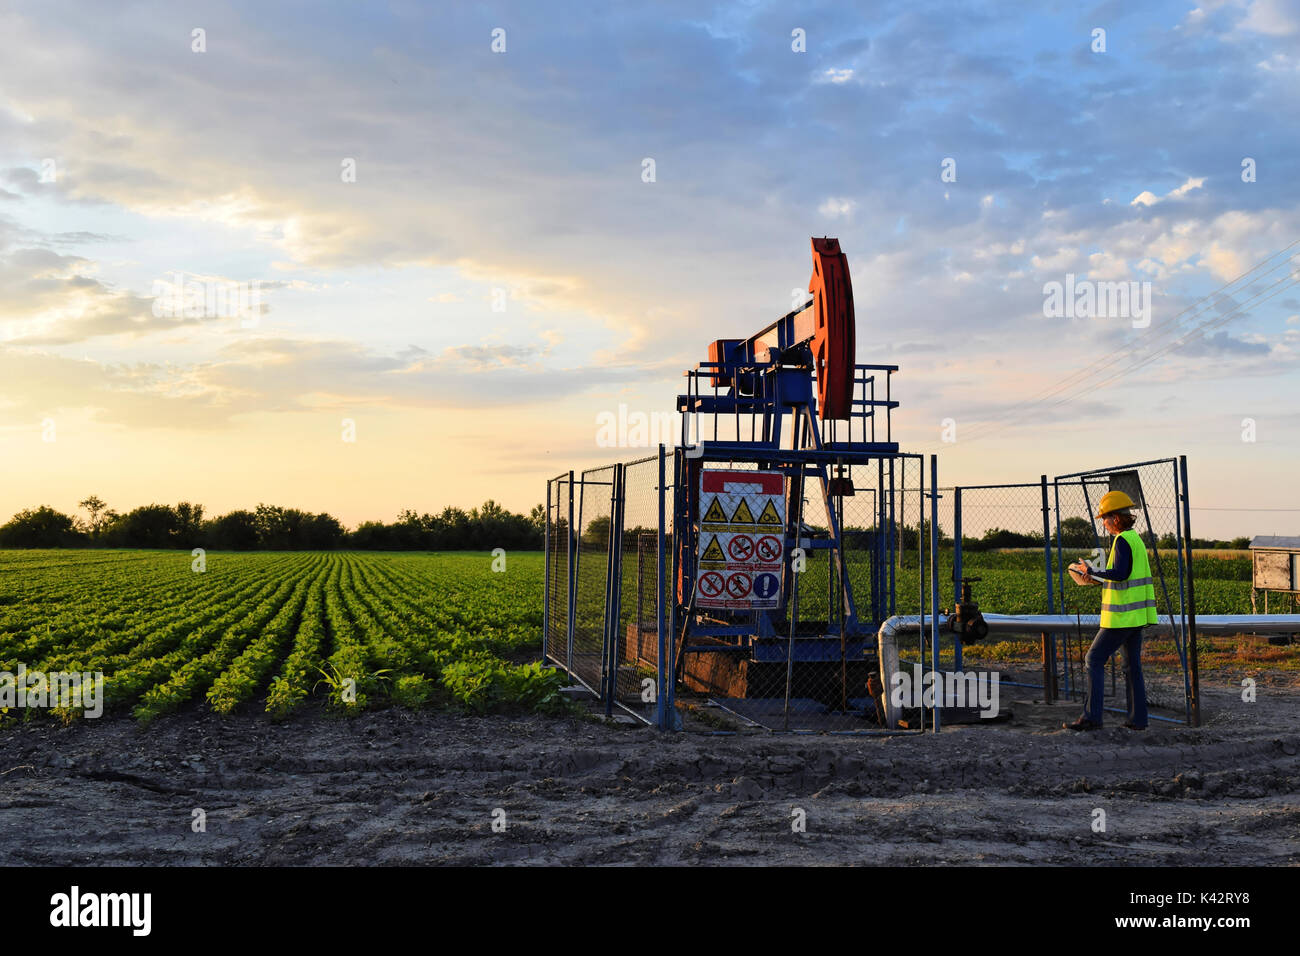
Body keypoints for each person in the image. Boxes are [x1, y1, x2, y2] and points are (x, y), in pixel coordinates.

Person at [1063, 491, 1158, 732]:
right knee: (1131, 666)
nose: (1103, 523)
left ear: (1115, 518)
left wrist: (1092, 573)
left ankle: (1092, 717)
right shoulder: (1135, 539)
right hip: (1136, 616)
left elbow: (1120, 574)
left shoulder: (1122, 540)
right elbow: (1123, 573)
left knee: (1093, 659)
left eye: (1104, 518)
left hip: (1121, 617)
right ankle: (1138, 720)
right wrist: (1097, 573)